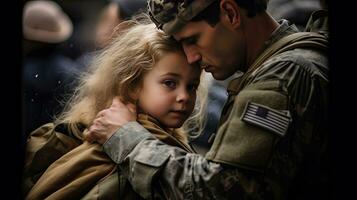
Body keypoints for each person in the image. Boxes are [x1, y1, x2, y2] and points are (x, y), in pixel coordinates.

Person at [86, 0, 329, 199]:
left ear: (231, 13)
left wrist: (126, 137)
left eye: (193, 39)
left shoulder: (282, 76)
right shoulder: (295, 61)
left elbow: (216, 191)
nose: (191, 57)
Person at [23, 17, 205, 199]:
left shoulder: (149, 143)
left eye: (192, 86)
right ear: (133, 85)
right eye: (169, 83)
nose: (184, 97)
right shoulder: (118, 150)